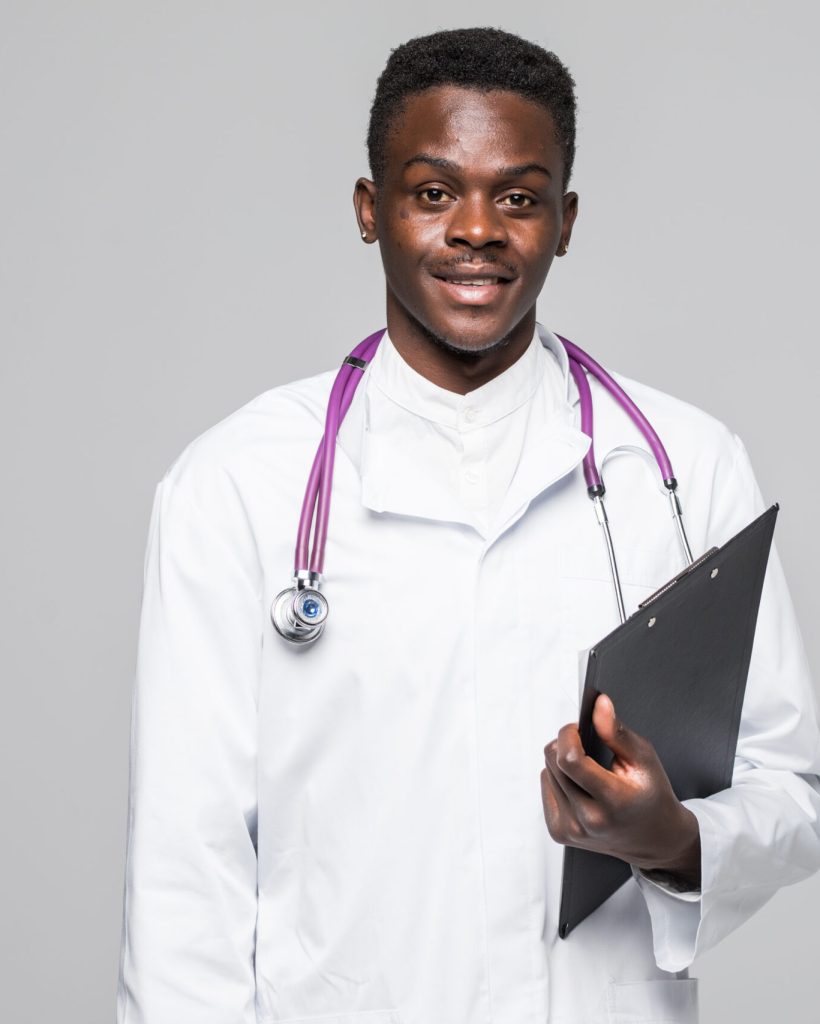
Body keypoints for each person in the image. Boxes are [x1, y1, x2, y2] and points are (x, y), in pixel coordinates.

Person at [116, 26, 820, 1024]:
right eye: (433, 191)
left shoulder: (685, 467)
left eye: (519, 197)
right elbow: (185, 873)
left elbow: (788, 789)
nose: (477, 228)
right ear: (371, 210)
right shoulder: (235, 484)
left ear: (565, 221)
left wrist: (673, 837)